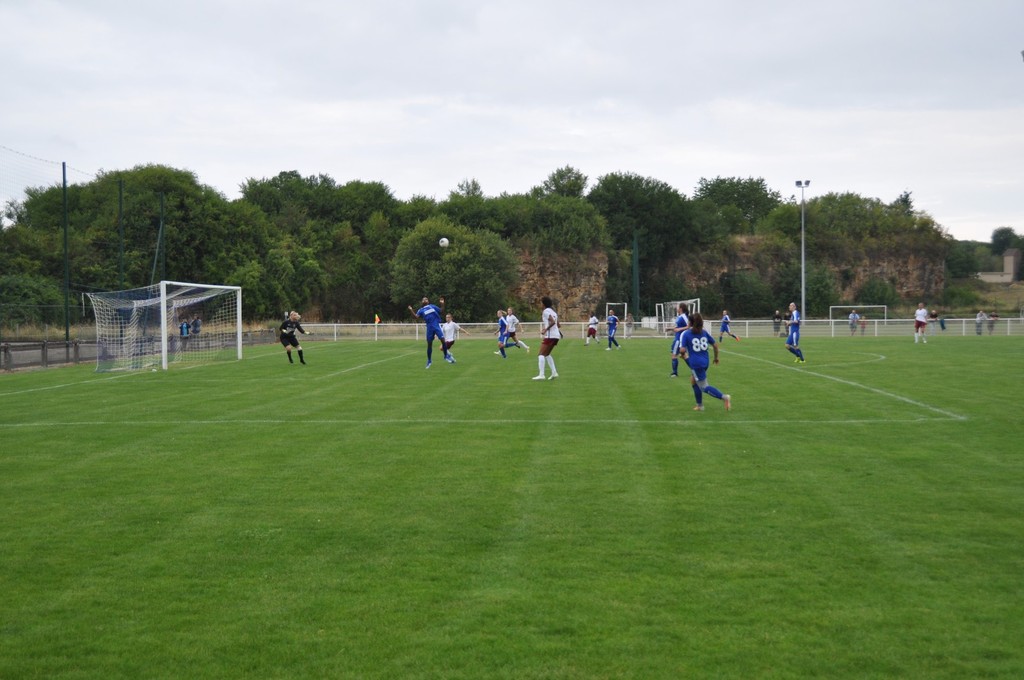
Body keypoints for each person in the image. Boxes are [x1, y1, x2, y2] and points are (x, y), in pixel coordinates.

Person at [680, 312, 730, 412]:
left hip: (696, 364)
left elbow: (682, 350)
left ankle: (724, 397)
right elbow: (715, 345)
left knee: (703, 387)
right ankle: (700, 405)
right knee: (693, 381)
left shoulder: (686, 334)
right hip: (705, 362)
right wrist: (716, 358)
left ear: (690, 322)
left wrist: (684, 356)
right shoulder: (704, 332)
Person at [408, 296, 454, 368]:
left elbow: (441, 310)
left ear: (428, 301)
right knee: (429, 344)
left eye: (426, 299)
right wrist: (411, 310)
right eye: (423, 299)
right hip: (429, 328)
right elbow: (415, 317)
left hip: (436, 326)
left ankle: (446, 356)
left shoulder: (432, 306)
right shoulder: (421, 310)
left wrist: (442, 303)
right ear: (422, 302)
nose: (425, 300)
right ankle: (429, 360)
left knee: (443, 340)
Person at [533, 296, 561, 380]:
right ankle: (554, 372)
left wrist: (545, 329)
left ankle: (541, 375)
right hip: (555, 335)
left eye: (541, 303)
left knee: (540, 354)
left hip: (550, 335)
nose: (540, 304)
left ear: (544, 304)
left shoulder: (546, 311)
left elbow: (552, 322)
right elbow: (558, 324)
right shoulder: (553, 311)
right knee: (547, 354)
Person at [669, 303, 690, 378]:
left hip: (679, 339)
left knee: (674, 355)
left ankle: (675, 373)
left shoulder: (684, 316)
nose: (676, 309)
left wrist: (679, 329)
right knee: (684, 355)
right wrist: (670, 329)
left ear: (681, 309)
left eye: (677, 307)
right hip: (677, 337)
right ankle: (695, 370)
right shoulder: (679, 317)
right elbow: (678, 327)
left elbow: (689, 326)